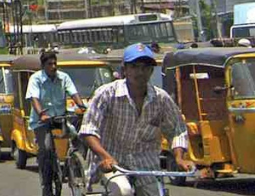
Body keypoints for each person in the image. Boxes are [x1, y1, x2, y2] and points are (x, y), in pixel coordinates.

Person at [79, 44, 189, 196]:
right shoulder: (106, 94)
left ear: (151, 71)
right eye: (134, 67)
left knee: (157, 193)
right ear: (124, 69)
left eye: (145, 67)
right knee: (123, 191)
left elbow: (177, 130)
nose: (140, 72)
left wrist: (179, 157)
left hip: (145, 164)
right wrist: (105, 157)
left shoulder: (161, 98)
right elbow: (88, 130)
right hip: (112, 162)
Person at [26, 50, 80, 196]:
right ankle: (47, 185)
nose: (54, 66)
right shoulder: (35, 79)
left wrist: (81, 106)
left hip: (59, 118)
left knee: (79, 136)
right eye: (50, 64)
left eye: (55, 63)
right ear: (43, 65)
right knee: (46, 149)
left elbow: (73, 93)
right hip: (42, 121)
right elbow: (34, 98)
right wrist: (42, 114)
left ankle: (75, 164)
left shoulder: (64, 77)